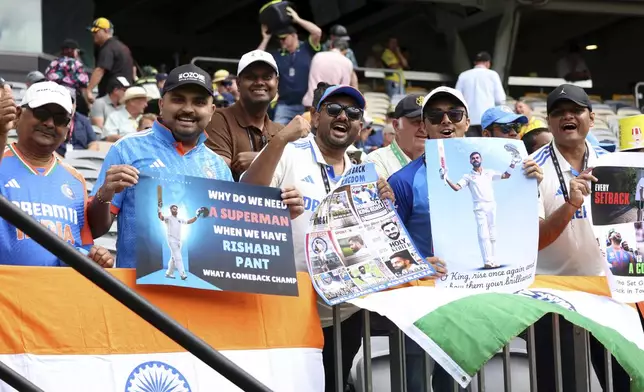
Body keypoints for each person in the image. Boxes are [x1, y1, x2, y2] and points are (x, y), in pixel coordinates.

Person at [240, 84, 400, 392]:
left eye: (353, 113)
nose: (344, 116)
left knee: (333, 384)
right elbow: (248, 192)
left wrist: (384, 199)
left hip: (346, 312)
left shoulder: (363, 170)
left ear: (360, 125)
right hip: (290, 306)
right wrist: (282, 139)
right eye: (334, 110)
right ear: (315, 118)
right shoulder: (288, 152)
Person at [389, 86, 543, 391]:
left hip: (468, 302)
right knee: (413, 385)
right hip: (418, 306)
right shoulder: (403, 181)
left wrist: (530, 184)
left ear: (466, 120)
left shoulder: (499, 168)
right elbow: (388, 248)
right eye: (436, 115)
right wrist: (417, 265)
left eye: (454, 114)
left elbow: (518, 219)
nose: (446, 121)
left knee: (456, 386)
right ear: (425, 124)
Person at [87, 64, 304, 268]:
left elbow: (233, 239)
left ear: (211, 111)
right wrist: (105, 193)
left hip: (203, 296)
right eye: (178, 100)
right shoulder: (127, 149)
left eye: (199, 102)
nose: (188, 109)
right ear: (162, 104)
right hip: (139, 295)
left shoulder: (218, 166)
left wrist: (278, 215)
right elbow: (97, 229)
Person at [529, 84, 630, 391]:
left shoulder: (615, 165)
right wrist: (570, 204)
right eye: (558, 112)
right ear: (549, 122)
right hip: (551, 296)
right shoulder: (530, 169)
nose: (567, 116)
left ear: (592, 118)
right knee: (560, 385)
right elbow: (535, 240)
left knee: (622, 383)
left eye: (575, 110)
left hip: (608, 293)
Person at [0, 82, 113, 267]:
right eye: (42, 113)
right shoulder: (2, 160)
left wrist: (95, 256)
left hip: (57, 290)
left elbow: (81, 246)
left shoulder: (75, 180)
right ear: (19, 115)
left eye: (60, 119)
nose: (50, 123)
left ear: (68, 129)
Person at [205, 50, 282, 180]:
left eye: (267, 77)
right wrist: (276, 159)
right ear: (238, 83)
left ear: (277, 83)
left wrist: (258, 158)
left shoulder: (281, 131)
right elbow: (219, 176)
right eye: (251, 77)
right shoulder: (217, 119)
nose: (259, 82)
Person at [443, 151, 519, 268]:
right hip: (479, 207)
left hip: (492, 205)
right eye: (473, 158)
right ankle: (487, 261)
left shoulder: (489, 172)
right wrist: (446, 177)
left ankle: (494, 260)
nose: (475, 159)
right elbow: (456, 188)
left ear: (481, 159)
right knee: (483, 234)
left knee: (493, 233)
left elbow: (506, 176)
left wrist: (513, 162)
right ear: (470, 161)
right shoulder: (468, 176)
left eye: (477, 157)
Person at [258, 6, 322, 124]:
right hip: (284, 104)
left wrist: (297, 19)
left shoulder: (306, 48)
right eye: (279, 39)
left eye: (284, 38)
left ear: (294, 35)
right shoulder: (277, 54)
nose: (281, 42)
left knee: (307, 137)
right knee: (277, 135)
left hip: (306, 105)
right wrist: (266, 38)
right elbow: (257, 58)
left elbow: (317, 32)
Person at [363, 93, 426, 178]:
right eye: (416, 122)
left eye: (427, 122)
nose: (423, 129)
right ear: (396, 126)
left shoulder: (439, 161)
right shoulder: (376, 160)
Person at [455, 51, 506, 137]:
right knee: (486, 148)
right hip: (488, 121)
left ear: (475, 62)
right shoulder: (492, 75)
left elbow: (457, 98)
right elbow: (500, 99)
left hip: (469, 120)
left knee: (472, 148)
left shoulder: (463, 76)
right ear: (488, 63)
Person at [85, 17, 135, 103]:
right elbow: (134, 69)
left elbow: (100, 70)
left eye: (96, 31)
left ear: (106, 30)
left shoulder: (108, 48)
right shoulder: (123, 47)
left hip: (111, 95)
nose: (93, 34)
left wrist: (89, 90)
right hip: (125, 94)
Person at [302, 38, 353, 108]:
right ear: (345, 51)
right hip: (330, 106)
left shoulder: (317, 56)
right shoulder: (347, 62)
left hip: (310, 102)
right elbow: (344, 88)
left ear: (331, 46)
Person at [158, 204, 200, 280]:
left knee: (174, 258)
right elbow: (161, 217)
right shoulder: (168, 218)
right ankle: (182, 274)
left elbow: (189, 221)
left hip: (179, 241)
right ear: (170, 210)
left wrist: (197, 216)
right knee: (178, 257)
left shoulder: (180, 219)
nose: (176, 210)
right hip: (171, 240)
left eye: (176, 209)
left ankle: (169, 273)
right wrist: (159, 210)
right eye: (174, 209)